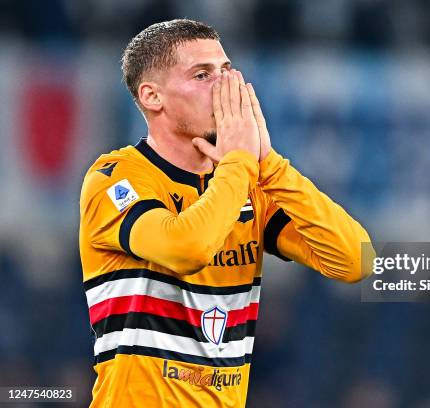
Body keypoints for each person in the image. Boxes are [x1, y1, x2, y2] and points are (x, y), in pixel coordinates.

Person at [79, 19, 374, 407]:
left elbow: (356, 260)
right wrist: (239, 163)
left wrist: (269, 164)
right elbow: (187, 248)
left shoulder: (250, 182)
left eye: (227, 71)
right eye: (202, 75)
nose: (224, 87)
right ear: (153, 96)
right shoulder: (115, 179)